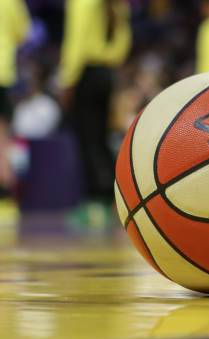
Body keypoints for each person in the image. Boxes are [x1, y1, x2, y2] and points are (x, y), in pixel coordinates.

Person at [59, 0, 131, 228]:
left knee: (87, 140)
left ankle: (94, 203)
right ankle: (113, 200)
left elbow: (75, 42)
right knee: (101, 139)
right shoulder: (117, 5)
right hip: (107, 74)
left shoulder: (82, 3)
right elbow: (123, 42)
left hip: (85, 75)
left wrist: (68, 80)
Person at [0, 0, 31, 226]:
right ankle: (6, 203)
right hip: (4, 75)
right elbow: (25, 33)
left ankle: (5, 201)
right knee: (2, 141)